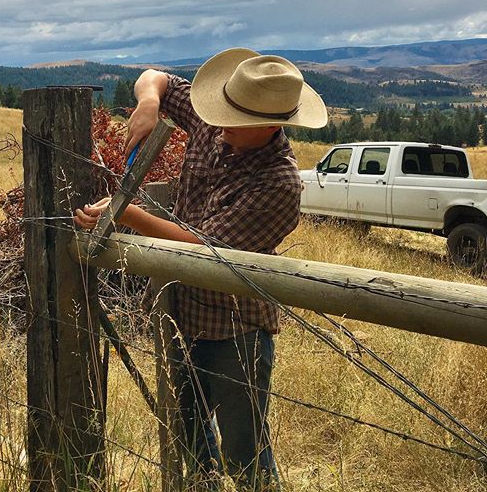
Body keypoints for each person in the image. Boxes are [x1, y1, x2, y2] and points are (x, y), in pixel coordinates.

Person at [74, 47, 327, 490]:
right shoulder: (220, 118)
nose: (219, 122)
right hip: (182, 315)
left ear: (270, 127)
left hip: (235, 330)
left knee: (244, 456)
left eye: (234, 120)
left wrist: (127, 212)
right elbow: (156, 77)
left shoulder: (278, 183)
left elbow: (205, 249)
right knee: (190, 441)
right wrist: (149, 104)